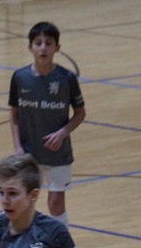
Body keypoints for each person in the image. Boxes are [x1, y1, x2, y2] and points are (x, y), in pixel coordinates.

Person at [9, 21, 86, 230]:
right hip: (29, 153)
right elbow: (14, 115)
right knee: (23, 202)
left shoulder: (67, 79)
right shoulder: (20, 77)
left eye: (48, 43)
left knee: (56, 203)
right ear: (30, 47)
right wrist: (17, 147)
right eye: (38, 43)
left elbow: (80, 113)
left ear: (57, 47)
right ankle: (21, 242)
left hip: (57, 153)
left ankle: (62, 245)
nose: (43, 48)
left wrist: (63, 133)